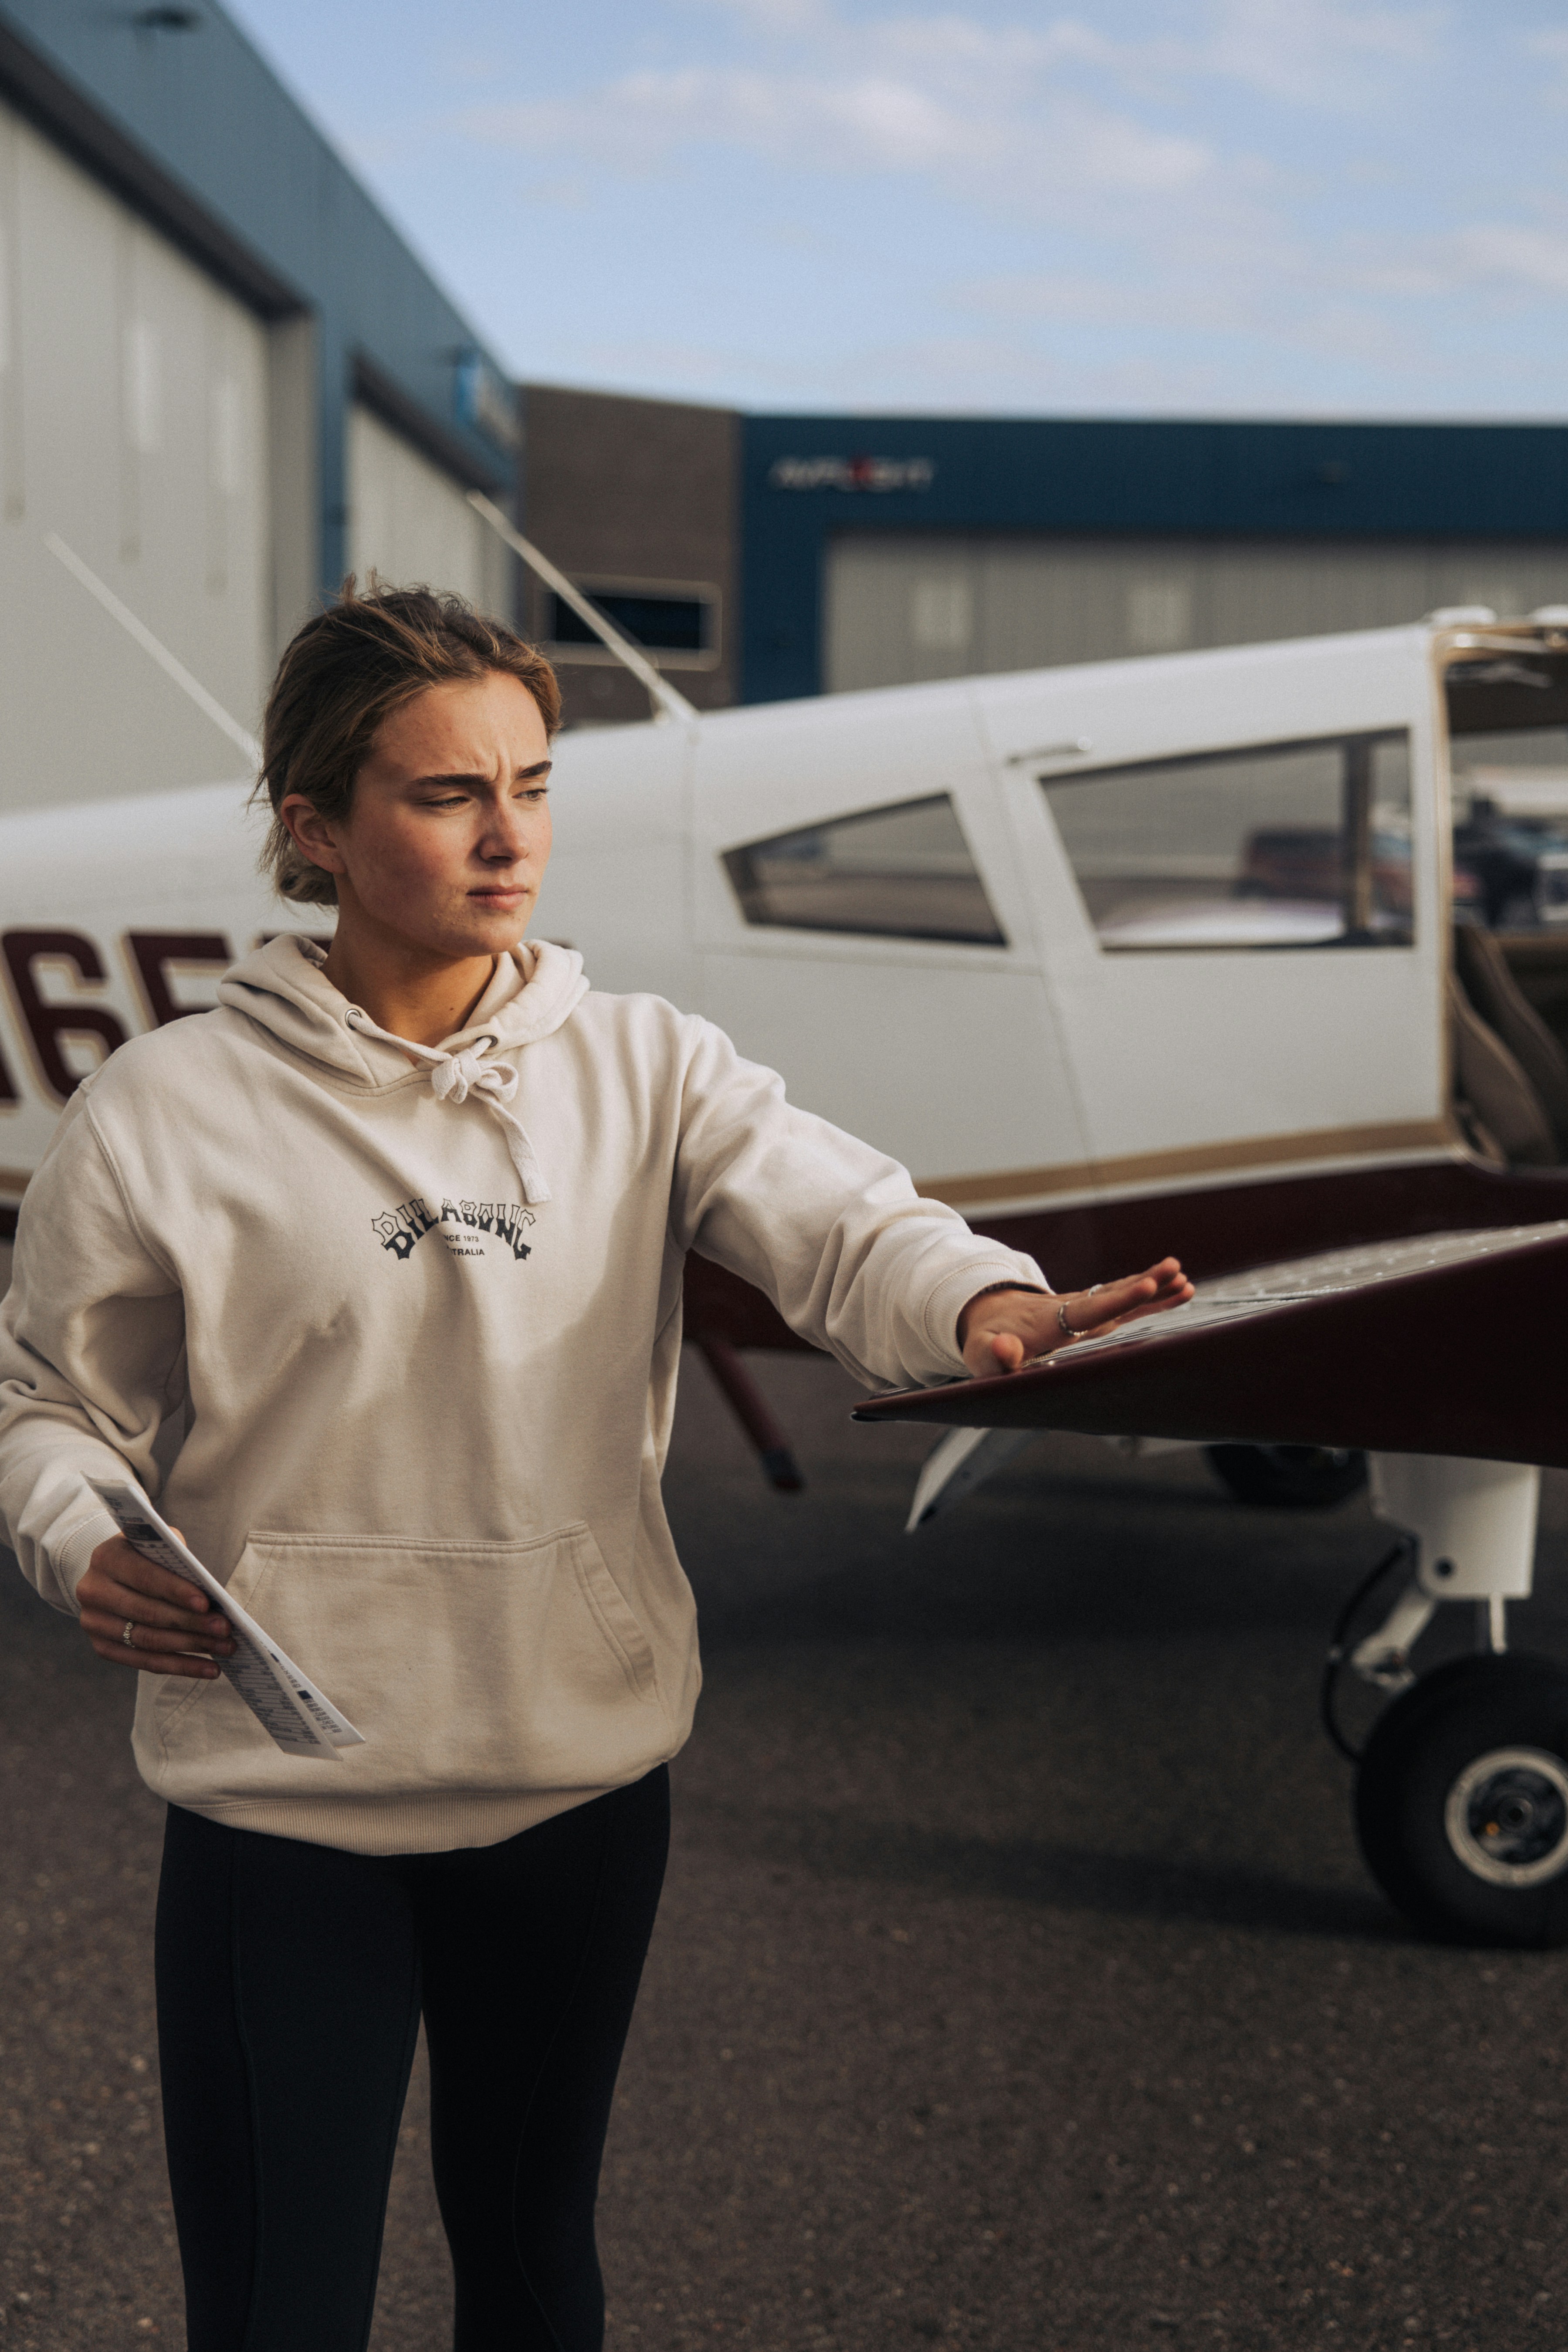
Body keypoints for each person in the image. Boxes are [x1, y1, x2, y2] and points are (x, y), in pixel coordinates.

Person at [0, 585, 1192, 2352]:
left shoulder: (646, 1068)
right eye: (446, 794)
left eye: (533, 786)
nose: (509, 838)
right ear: (314, 829)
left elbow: (850, 1229)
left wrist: (984, 1303)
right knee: (275, 2314)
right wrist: (79, 1534)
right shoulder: (163, 1110)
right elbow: (46, 1404)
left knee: (536, 2273)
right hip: (282, 1813)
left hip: (572, 1786)